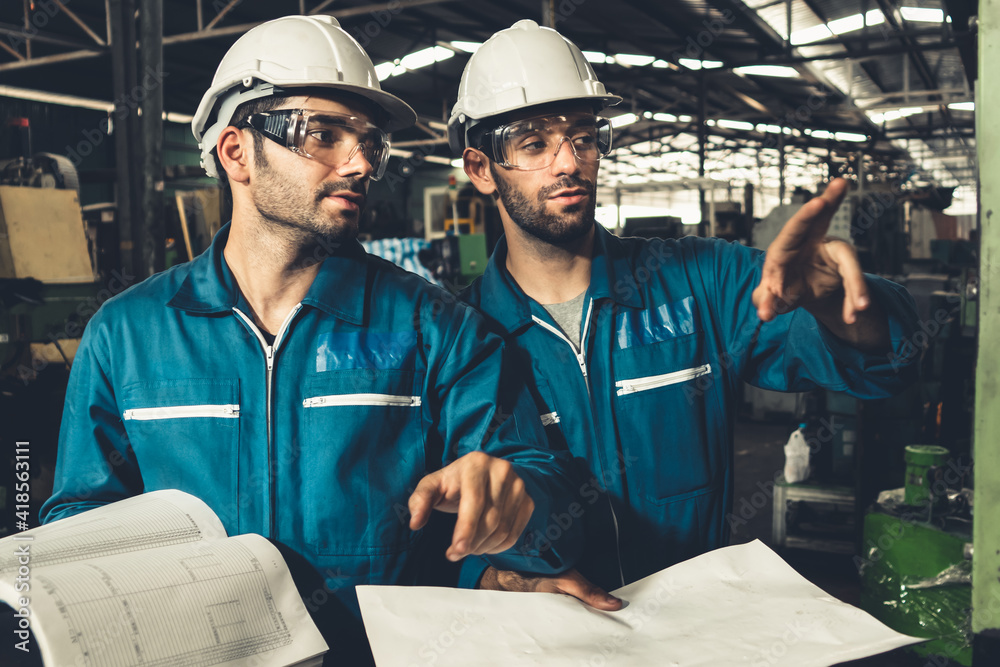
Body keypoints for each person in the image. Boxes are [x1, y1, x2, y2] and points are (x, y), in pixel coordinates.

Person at [41, 15, 584, 664]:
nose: (360, 163)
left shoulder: (435, 328)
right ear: (236, 151)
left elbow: (535, 472)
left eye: (368, 140)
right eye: (323, 133)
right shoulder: (126, 336)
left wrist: (515, 499)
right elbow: (80, 524)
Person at [448, 20, 919, 601]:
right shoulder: (461, 336)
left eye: (584, 136)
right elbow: (430, 526)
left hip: (697, 625)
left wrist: (836, 305)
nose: (568, 162)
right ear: (479, 170)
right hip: (553, 640)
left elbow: (888, 359)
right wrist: (483, 574)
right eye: (533, 143)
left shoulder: (699, 280)